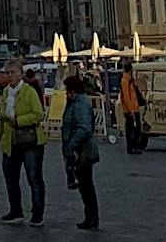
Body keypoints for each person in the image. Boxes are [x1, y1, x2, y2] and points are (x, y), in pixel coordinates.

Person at [0, 65, 47, 226]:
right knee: (11, 178)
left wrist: (19, 121)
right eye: (7, 73)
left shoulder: (29, 92)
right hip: (11, 142)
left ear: (20, 75)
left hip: (30, 141)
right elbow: (3, 119)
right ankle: (15, 211)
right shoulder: (5, 93)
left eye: (12, 72)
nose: (9, 76)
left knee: (34, 178)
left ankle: (37, 213)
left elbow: (38, 115)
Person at [59, 74, 98, 232]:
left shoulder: (79, 104)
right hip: (77, 149)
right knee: (85, 185)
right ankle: (91, 217)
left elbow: (84, 128)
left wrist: (71, 145)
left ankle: (91, 218)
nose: (66, 94)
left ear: (72, 91)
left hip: (81, 150)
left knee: (86, 185)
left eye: (67, 91)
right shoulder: (77, 103)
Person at [117, 63, 145, 154]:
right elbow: (126, 97)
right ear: (130, 70)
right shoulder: (125, 81)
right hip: (130, 109)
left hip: (134, 107)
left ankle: (135, 146)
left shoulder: (130, 80)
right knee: (131, 129)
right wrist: (130, 110)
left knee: (137, 128)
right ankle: (131, 147)